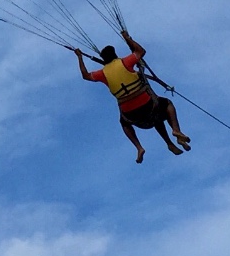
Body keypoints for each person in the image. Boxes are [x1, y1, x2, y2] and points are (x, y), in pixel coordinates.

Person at [77, 32, 191, 163]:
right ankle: (176, 130)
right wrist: (127, 39)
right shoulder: (125, 62)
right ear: (115, 55)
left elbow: (85, 75)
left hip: (131, 115)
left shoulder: (102, 73)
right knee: (166, 105)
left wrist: (79, 57)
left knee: (127, 122)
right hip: (148, 104)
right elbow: (140, 51)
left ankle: (141, 147)